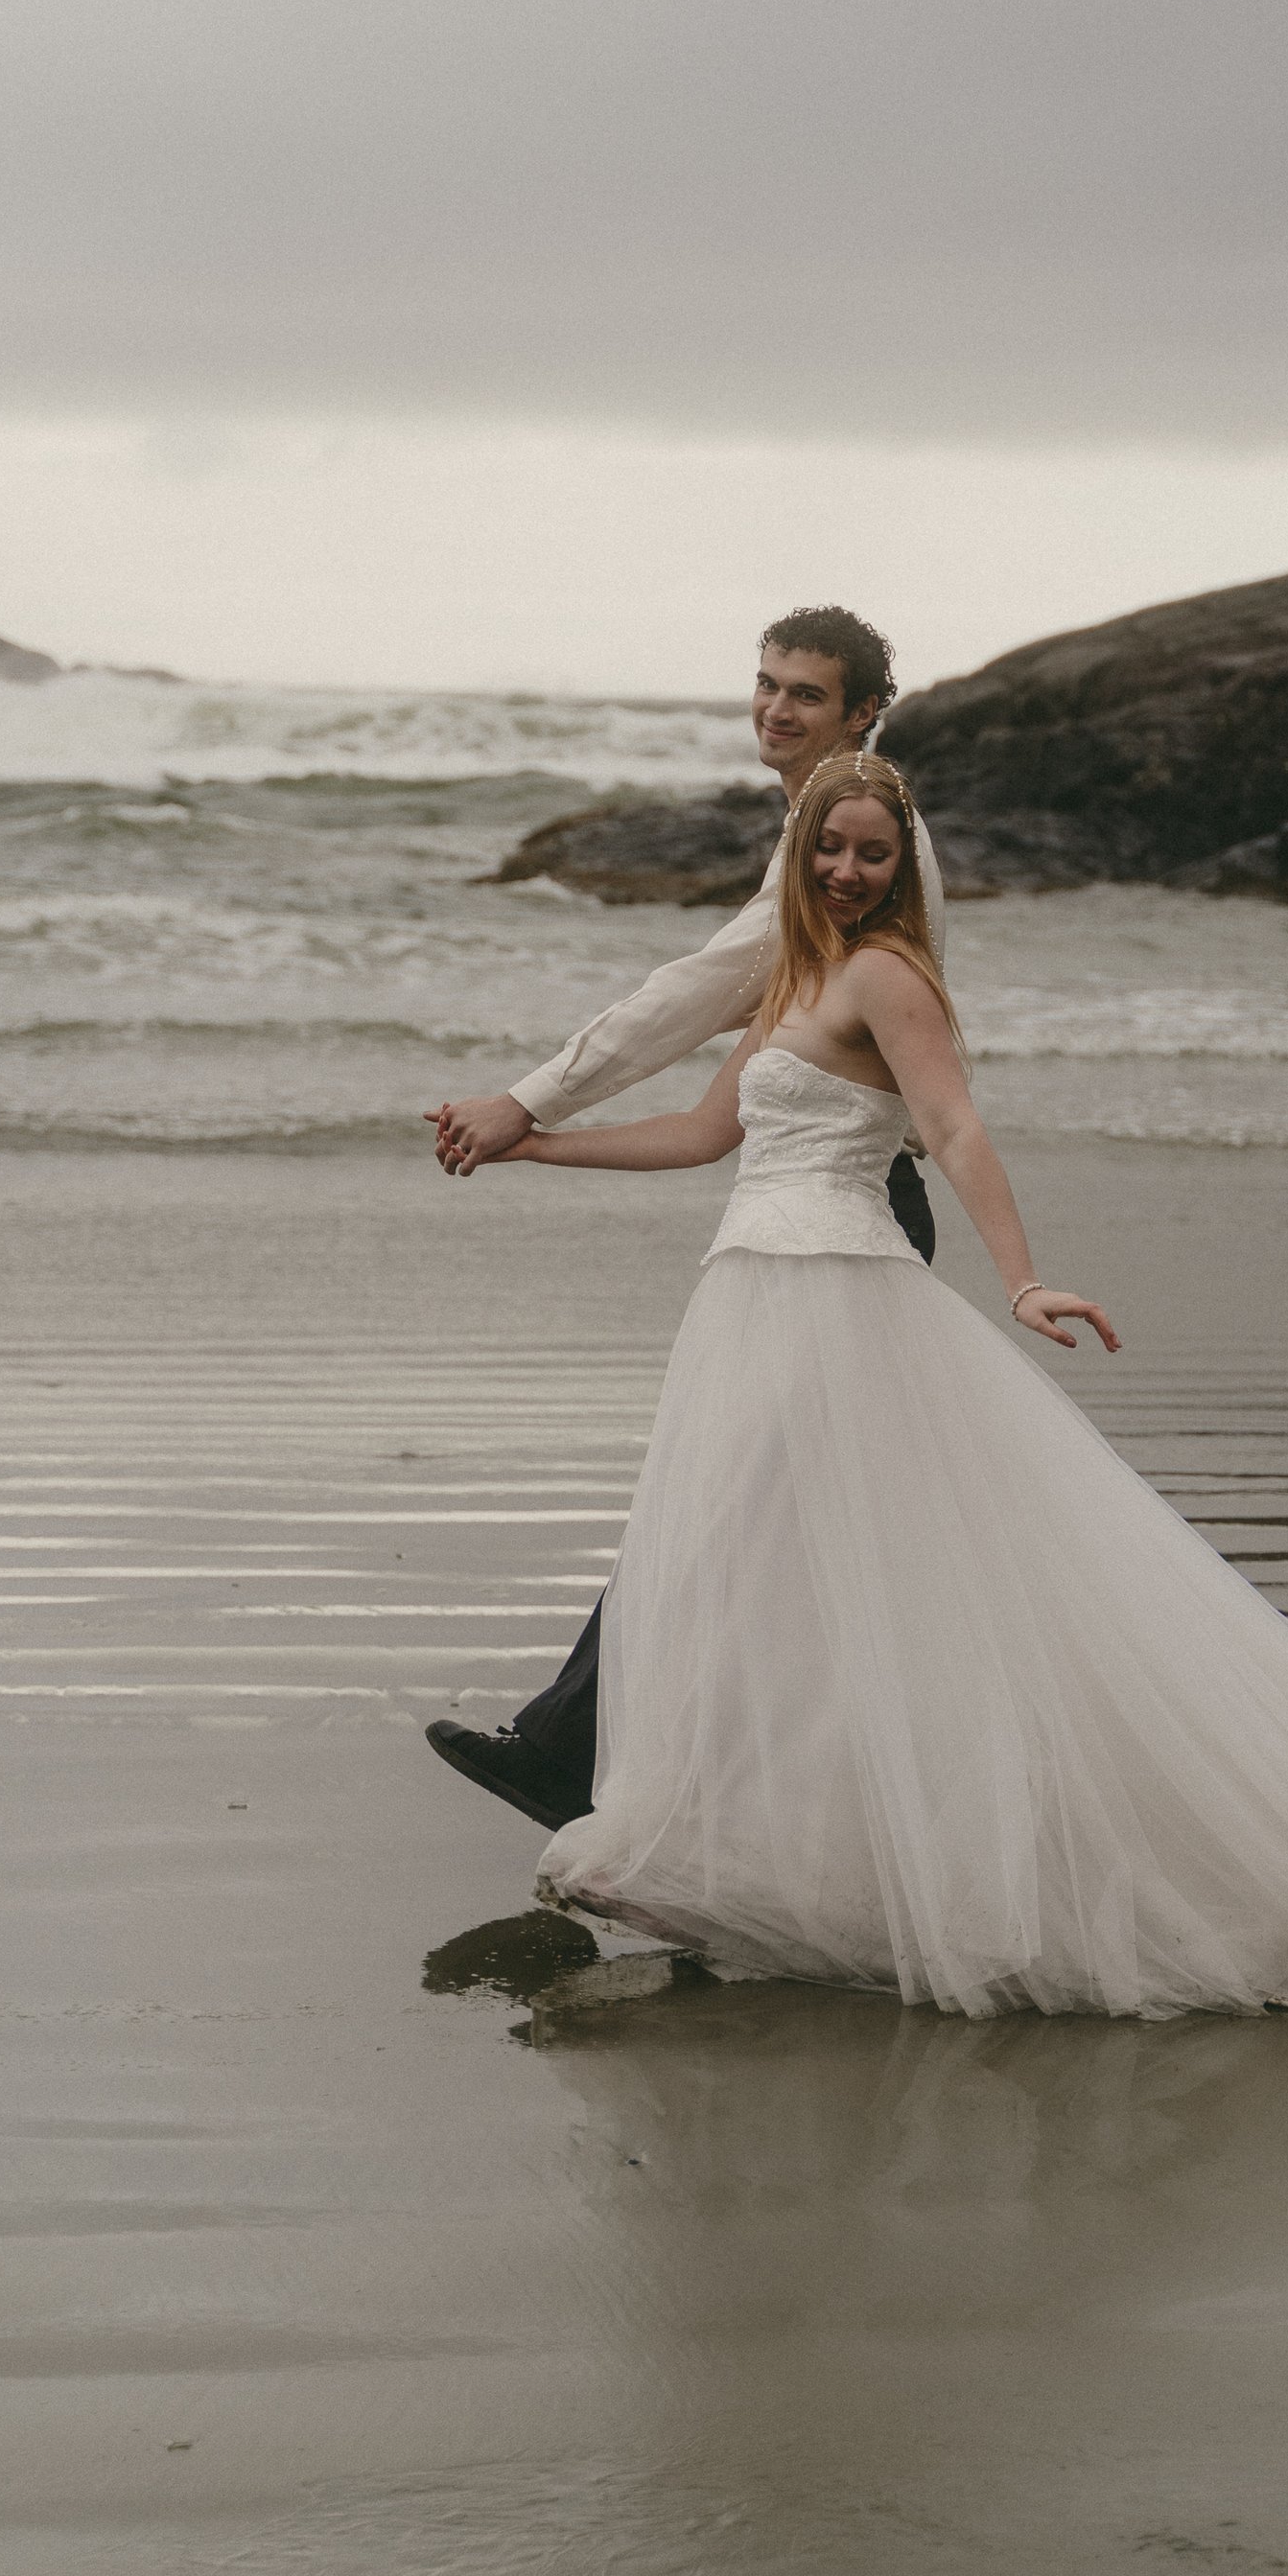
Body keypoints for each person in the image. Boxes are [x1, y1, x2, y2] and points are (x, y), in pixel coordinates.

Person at [468, 746, 1288, 2025]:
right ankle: (752, 1852)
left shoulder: (890, 974)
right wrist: (534, 1140)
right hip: (751, 1300)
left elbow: (953, 1128)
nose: (844, 869)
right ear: (797, 849)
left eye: (871, 854)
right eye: (827, 848)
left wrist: (1022, 1278)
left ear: (903, 866)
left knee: (821, 1576)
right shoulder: (791, 977)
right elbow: (705, 1135)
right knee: (779, 1588)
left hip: (837, 1299)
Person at [425, 605, 944, 1831]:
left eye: (805, 696)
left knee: (725, 1519)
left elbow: (699, 989)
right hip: (820, 1216)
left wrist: (528, 1098)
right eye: (764, 685)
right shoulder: (832, 847)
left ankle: (587, 1758)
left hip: (851, 1224)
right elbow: (747, 1044)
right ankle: (705, 1782)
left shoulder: (854, 838)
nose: (773, 711)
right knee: (748, 1528)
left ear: (865, 710)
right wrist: (544, 1134)